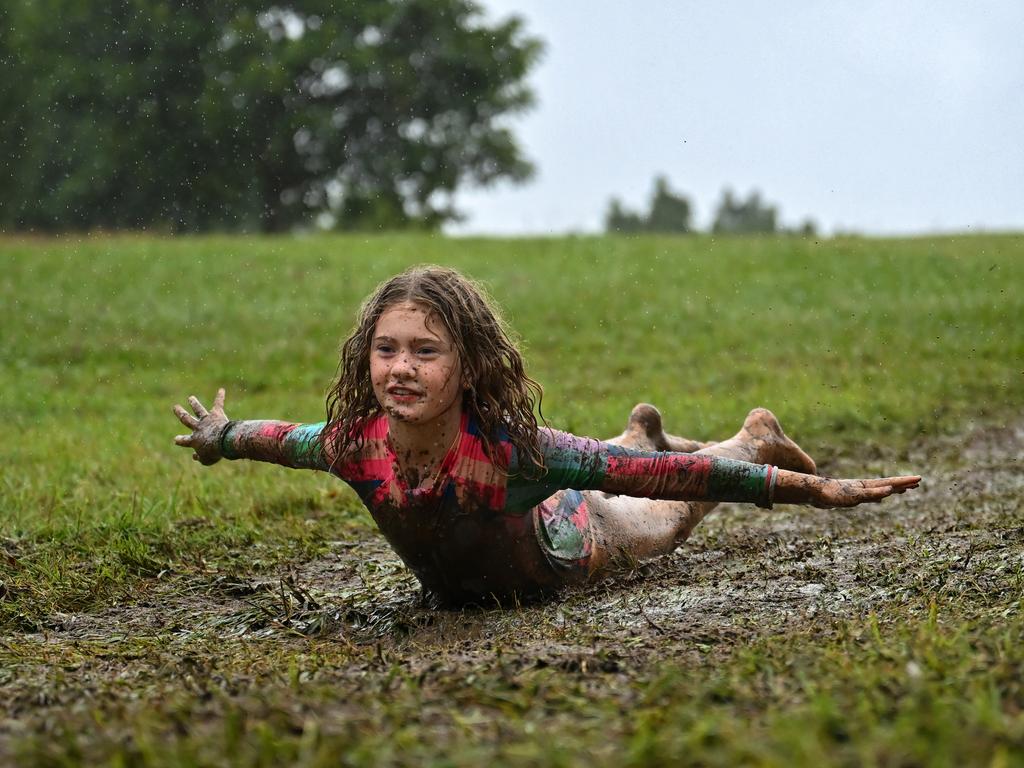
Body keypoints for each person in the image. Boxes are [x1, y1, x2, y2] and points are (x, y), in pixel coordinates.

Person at [173, 266, 920, 605]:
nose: (401, 369)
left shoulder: (510, 453)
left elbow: (666, 480)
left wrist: (805, 489)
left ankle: (753, 436)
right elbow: (274, 436)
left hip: (568, 539)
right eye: (387, 350)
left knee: (660, 519)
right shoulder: (350, 443)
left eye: (426, 353)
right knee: (622, 459)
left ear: (468, 368)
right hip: (503, 552)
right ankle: (642, 428)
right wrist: (220, 434)